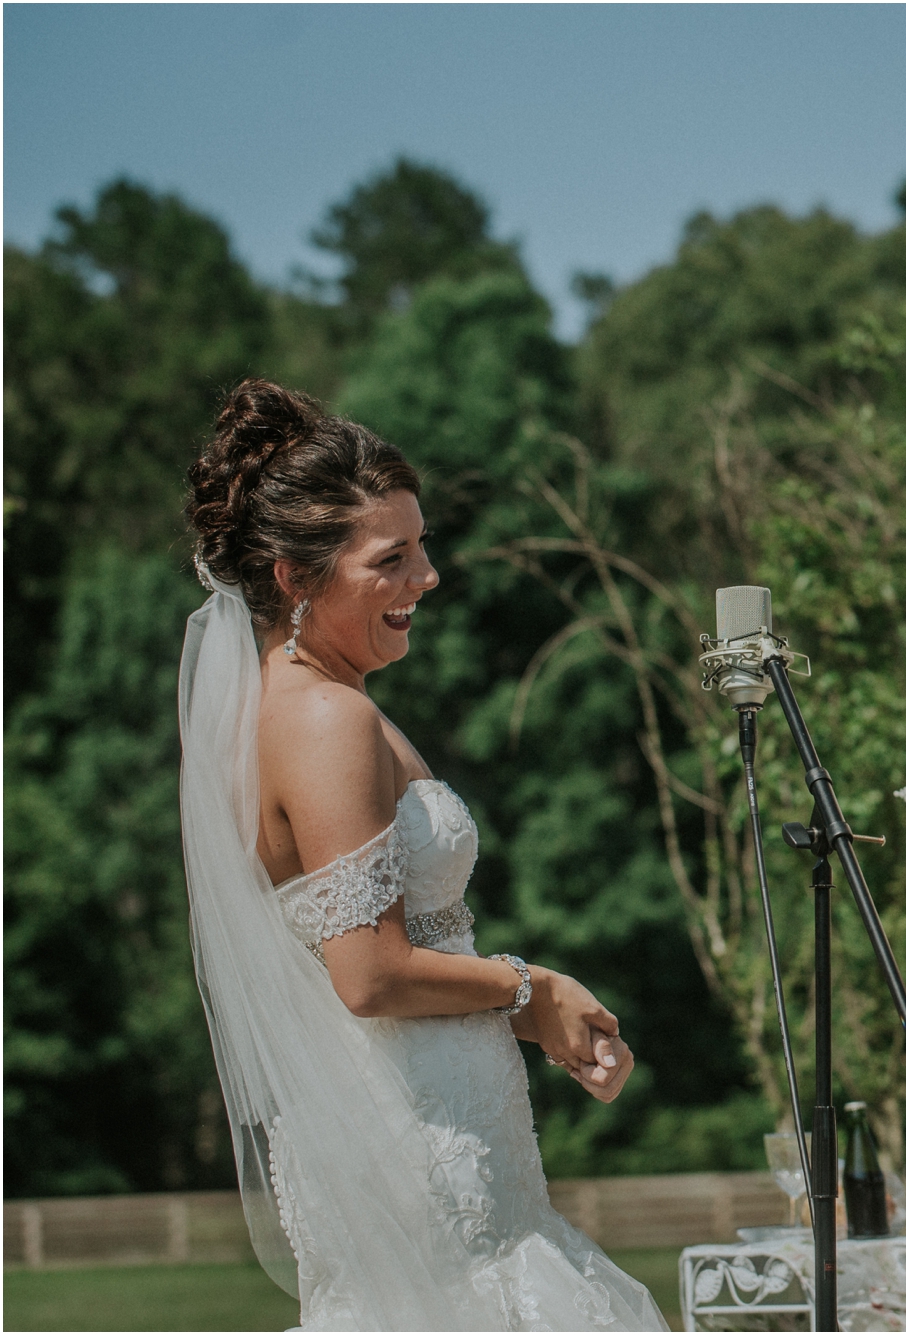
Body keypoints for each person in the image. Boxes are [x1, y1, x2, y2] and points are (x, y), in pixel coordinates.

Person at [180, 379, 666, 1330]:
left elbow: (388, 954)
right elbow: (367, 975)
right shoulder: (324, 717)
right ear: (294, 577)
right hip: (412, 1139)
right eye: (391, 559)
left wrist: (538, 1022)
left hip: (430, 1113)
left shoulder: (310, 703)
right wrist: (533, 986)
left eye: (423, 547)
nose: (428, 576)